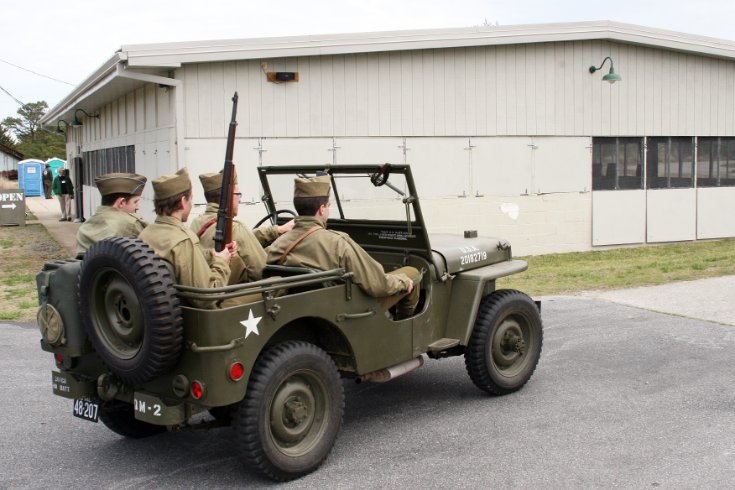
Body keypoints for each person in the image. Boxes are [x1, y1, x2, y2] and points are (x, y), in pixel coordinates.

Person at [266, 175, 421, 319]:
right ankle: (400, 335)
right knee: (412, 274)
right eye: (328, 205)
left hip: (298, 311)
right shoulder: (337, 243)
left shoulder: (277, 244)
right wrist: (403, 282)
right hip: (344, 312)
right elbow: (378, 283)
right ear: (321, 209)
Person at [138, 168, 235, 309]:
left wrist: (213, 255)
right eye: (191, 198)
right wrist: (221, 262)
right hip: (196, 317)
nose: (191, 204)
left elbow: (182, 262)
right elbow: (207, 297)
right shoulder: (182, 241)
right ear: (183, 201)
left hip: (159, 313)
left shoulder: (145, 234)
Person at [190, 170, 294, 284]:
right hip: (231, 293)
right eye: (238, 195)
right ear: (228, 197)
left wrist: (277, 230)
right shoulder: (236, 228)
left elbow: (242, 239)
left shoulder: (196, 223)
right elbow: (261, 272)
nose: (240, 200)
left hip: (209, 286)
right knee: (280, 284)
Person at [75, 172, 149, 254]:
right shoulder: (131, 223)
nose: (137, 207)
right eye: (135, 202)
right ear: (121, 202)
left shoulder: (85, 226)